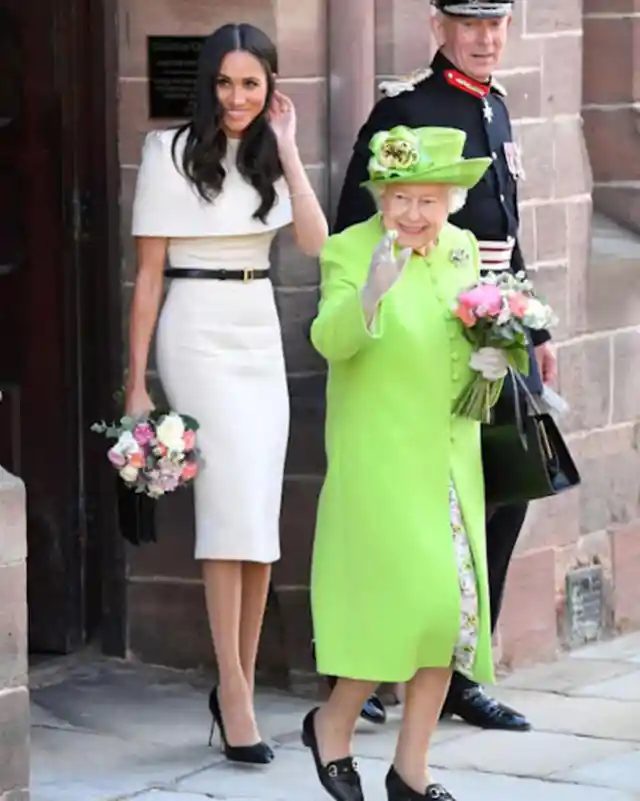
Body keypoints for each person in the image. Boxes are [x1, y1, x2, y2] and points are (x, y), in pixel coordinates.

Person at [331, 0, 556, 733]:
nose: (485, 38)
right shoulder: (407, 107)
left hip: (491, 325)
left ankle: (457, 669)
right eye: (470, 24)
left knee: (506, 491)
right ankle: (362, 667)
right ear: (439, 29)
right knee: (398, 506)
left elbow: (507, 231)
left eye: (496, 25)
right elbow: (353, 225)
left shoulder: (497, 108)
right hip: (415, 327)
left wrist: (534, 319)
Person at [125, 23, 327, 765]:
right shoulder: (167, 153)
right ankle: (235, 691)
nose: (237, 97)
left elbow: (313, 240)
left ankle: (234, 685)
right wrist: (136, 383)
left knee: (257, 514)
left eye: (252, 82)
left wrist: (295, 148)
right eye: (225, 82)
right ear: (206, 84)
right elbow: (147, 277)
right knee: (225, 507)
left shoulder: (273, 154)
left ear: (270, 87)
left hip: (256, 327)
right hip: (195, 328)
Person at [303, 124, 497, 801]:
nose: (413, 214)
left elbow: (473, 348)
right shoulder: (350, 250)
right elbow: (329, 340)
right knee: (392, 613)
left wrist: (496, 364)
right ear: (380, 195)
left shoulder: (461, 249)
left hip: (447, 460)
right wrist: (371, 293)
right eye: (398, 198)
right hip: (379, 460)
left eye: (428, 200)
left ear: (451, 200)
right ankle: (333, 724)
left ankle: (411, 770)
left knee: (447, 618)